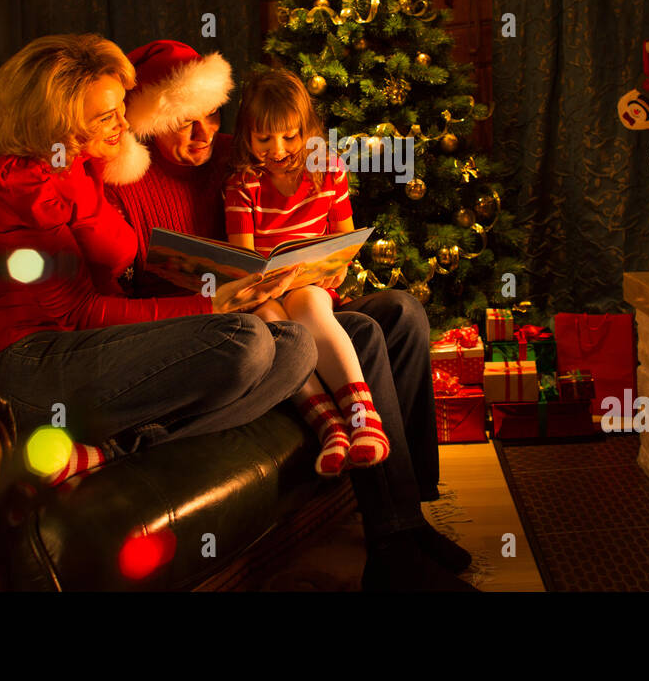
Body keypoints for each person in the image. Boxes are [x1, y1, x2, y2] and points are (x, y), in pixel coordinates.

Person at [102, 40, 475, 591]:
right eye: (185, 123)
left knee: (403, 310)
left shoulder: (244, 147)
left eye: (211, 116)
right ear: (152, 123)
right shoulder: (127, 184)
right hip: (233, 321)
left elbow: (295, 155)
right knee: (367, 334)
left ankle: (413, 506)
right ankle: (392, 544)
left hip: (295, 293)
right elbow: (126, 287)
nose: (204, 134)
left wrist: (327, 261)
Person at [0, 33, 312, 486]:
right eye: (106, 116)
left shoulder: (91, 166)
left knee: (295, 347)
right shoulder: (26, 187)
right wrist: (218, 304)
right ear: (57, 124)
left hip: (102, 344)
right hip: (39, 361)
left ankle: (122, 448)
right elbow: (82, 313)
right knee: (246, 339)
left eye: (121, 109)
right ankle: (112, 445)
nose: (123, 123)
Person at [224, 70, 388, 477]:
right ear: (247, 136)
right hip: (263, 293)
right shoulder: (243, 184)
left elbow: (344, 241)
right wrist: (263, 284)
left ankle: (363, 418)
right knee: (271, 325)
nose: (277, 149)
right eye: (264, 139)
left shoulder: (328, 171)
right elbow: (244, 260)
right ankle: (328, 426)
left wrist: (335, 267)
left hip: (309, 284)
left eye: (289, 137)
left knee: (312, 306)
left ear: (306, 130)